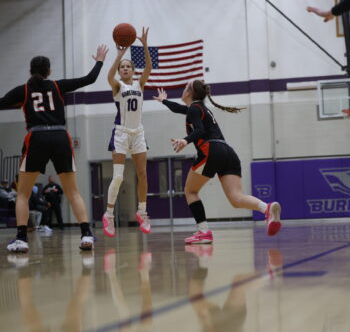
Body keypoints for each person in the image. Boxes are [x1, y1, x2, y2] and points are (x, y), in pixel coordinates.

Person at [0, 44, 109, 253]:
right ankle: (86, 234)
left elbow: (2, 102)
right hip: (60, 136)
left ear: (30, 71)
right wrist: (100, 61)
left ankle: (21, 239)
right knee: (72, 191)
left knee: (22, 194)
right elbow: (89, 79)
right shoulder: (57, 86)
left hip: (37, 137)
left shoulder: (22, 90)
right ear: (49, 71)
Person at [153, 80, 282, 244]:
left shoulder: (194, 108)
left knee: (190, 191)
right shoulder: (199, 108)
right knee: (236, 198)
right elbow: (179, 109)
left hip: (211, 150)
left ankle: (203, 231)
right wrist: (164, 101)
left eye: (185, 87)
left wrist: (185, 141)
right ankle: (267, 208)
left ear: (189, 92)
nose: (183, 90)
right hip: (228, 152)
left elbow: (200, 130)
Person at [102, 27, 152, 237]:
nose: (124, 69)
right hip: (121, 133)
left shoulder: (140, 84)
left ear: (133, 70)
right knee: (119, 177)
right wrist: (119, 55)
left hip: (138, 133)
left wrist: (145, 45)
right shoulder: (117, 87)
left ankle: (142, 212)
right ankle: (109, 214)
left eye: (127, 66)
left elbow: (149, 67)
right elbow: (108, 75)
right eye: (122, 67)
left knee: (142, 174)